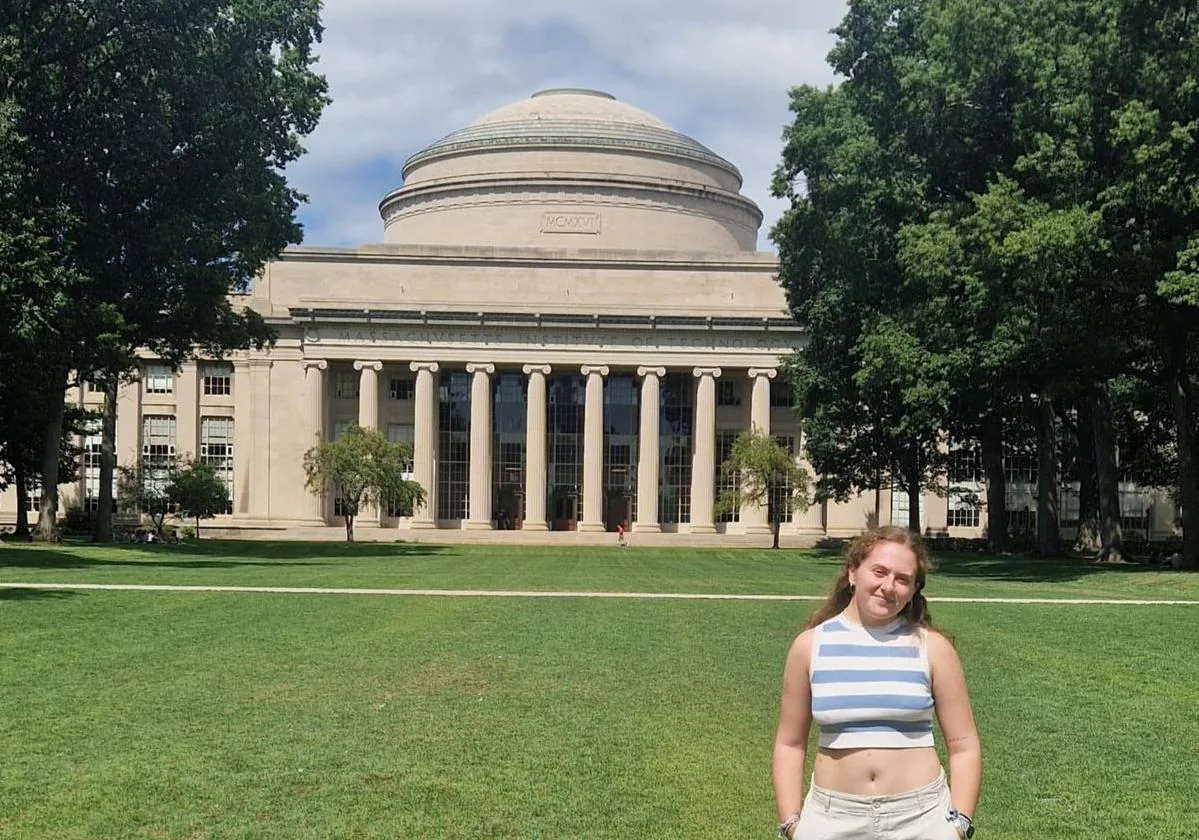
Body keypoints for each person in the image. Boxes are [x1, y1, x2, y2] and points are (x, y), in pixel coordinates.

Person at [773, 526, 981, 840]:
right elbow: (789, 744)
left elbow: (963, 744)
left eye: (903, 579)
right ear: (853, 573)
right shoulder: (810, 646)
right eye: (879, 572)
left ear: (913, 589)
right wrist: (792, 823)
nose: (889, 587)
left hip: (922, 818)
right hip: (832, 818)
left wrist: (959, 826)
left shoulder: (933, 648)